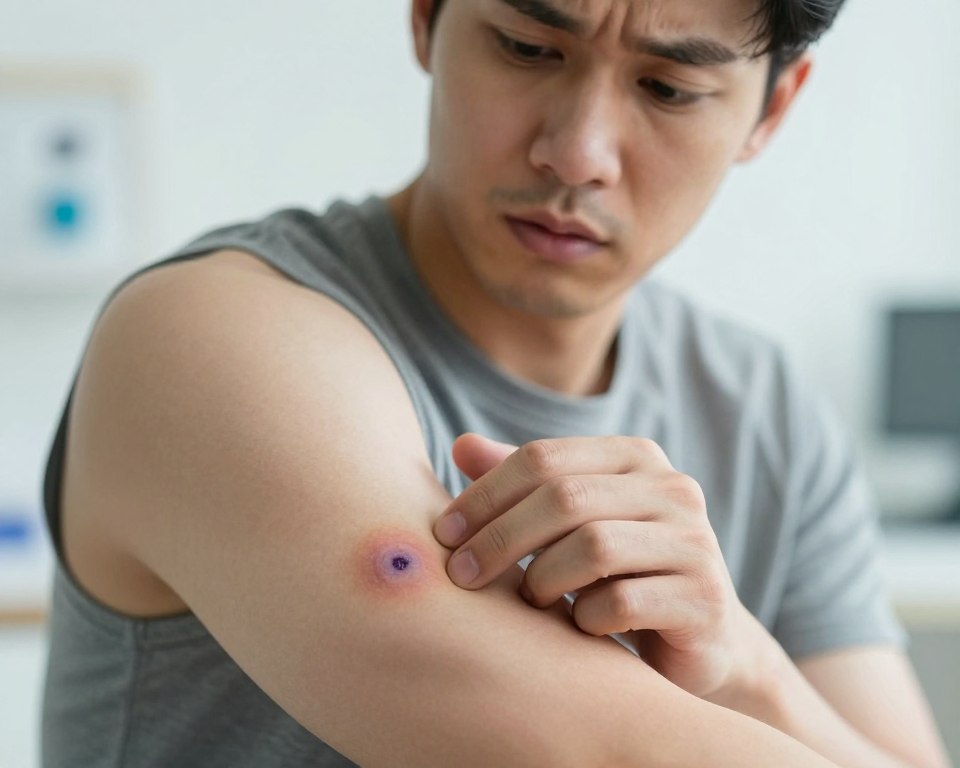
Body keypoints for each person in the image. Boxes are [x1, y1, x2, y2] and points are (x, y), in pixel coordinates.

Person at [39, 0, 951, 766]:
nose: (577, 152)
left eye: (668, 87)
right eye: (526, 47)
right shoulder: (211, 338)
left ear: (771, 111)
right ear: (428, 17)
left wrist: (744, 665)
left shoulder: (764, 407)